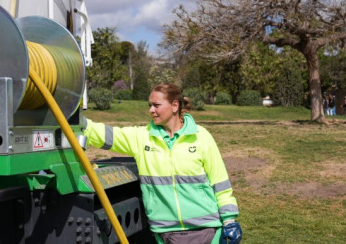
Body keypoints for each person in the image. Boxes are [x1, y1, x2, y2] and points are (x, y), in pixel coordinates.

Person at [84, 83, 241, 244]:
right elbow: (107, 135)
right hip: (166, 233)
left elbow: (220, 183)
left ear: (175, 105)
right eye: (150, 105)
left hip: (207, 231)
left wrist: (229, 221)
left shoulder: (201, 137)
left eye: (156, 105)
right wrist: (76, 118)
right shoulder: (142, 138)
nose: (151, 110)